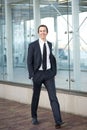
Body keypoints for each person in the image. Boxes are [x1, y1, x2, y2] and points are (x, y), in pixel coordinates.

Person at [27, 24, 64, 129]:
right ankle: (34, 116)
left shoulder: (50, 44)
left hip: (48, 74)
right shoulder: (32, 45)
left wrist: (54, 71)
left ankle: (58, 121)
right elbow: (29, 62)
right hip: (37, 74)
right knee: (36, 97)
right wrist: (32, 75)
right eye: (41, 31)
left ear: (47, 32)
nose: (42, 32)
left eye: (44, 31)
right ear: (38, 33)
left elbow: (51, 59)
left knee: (53, 97)